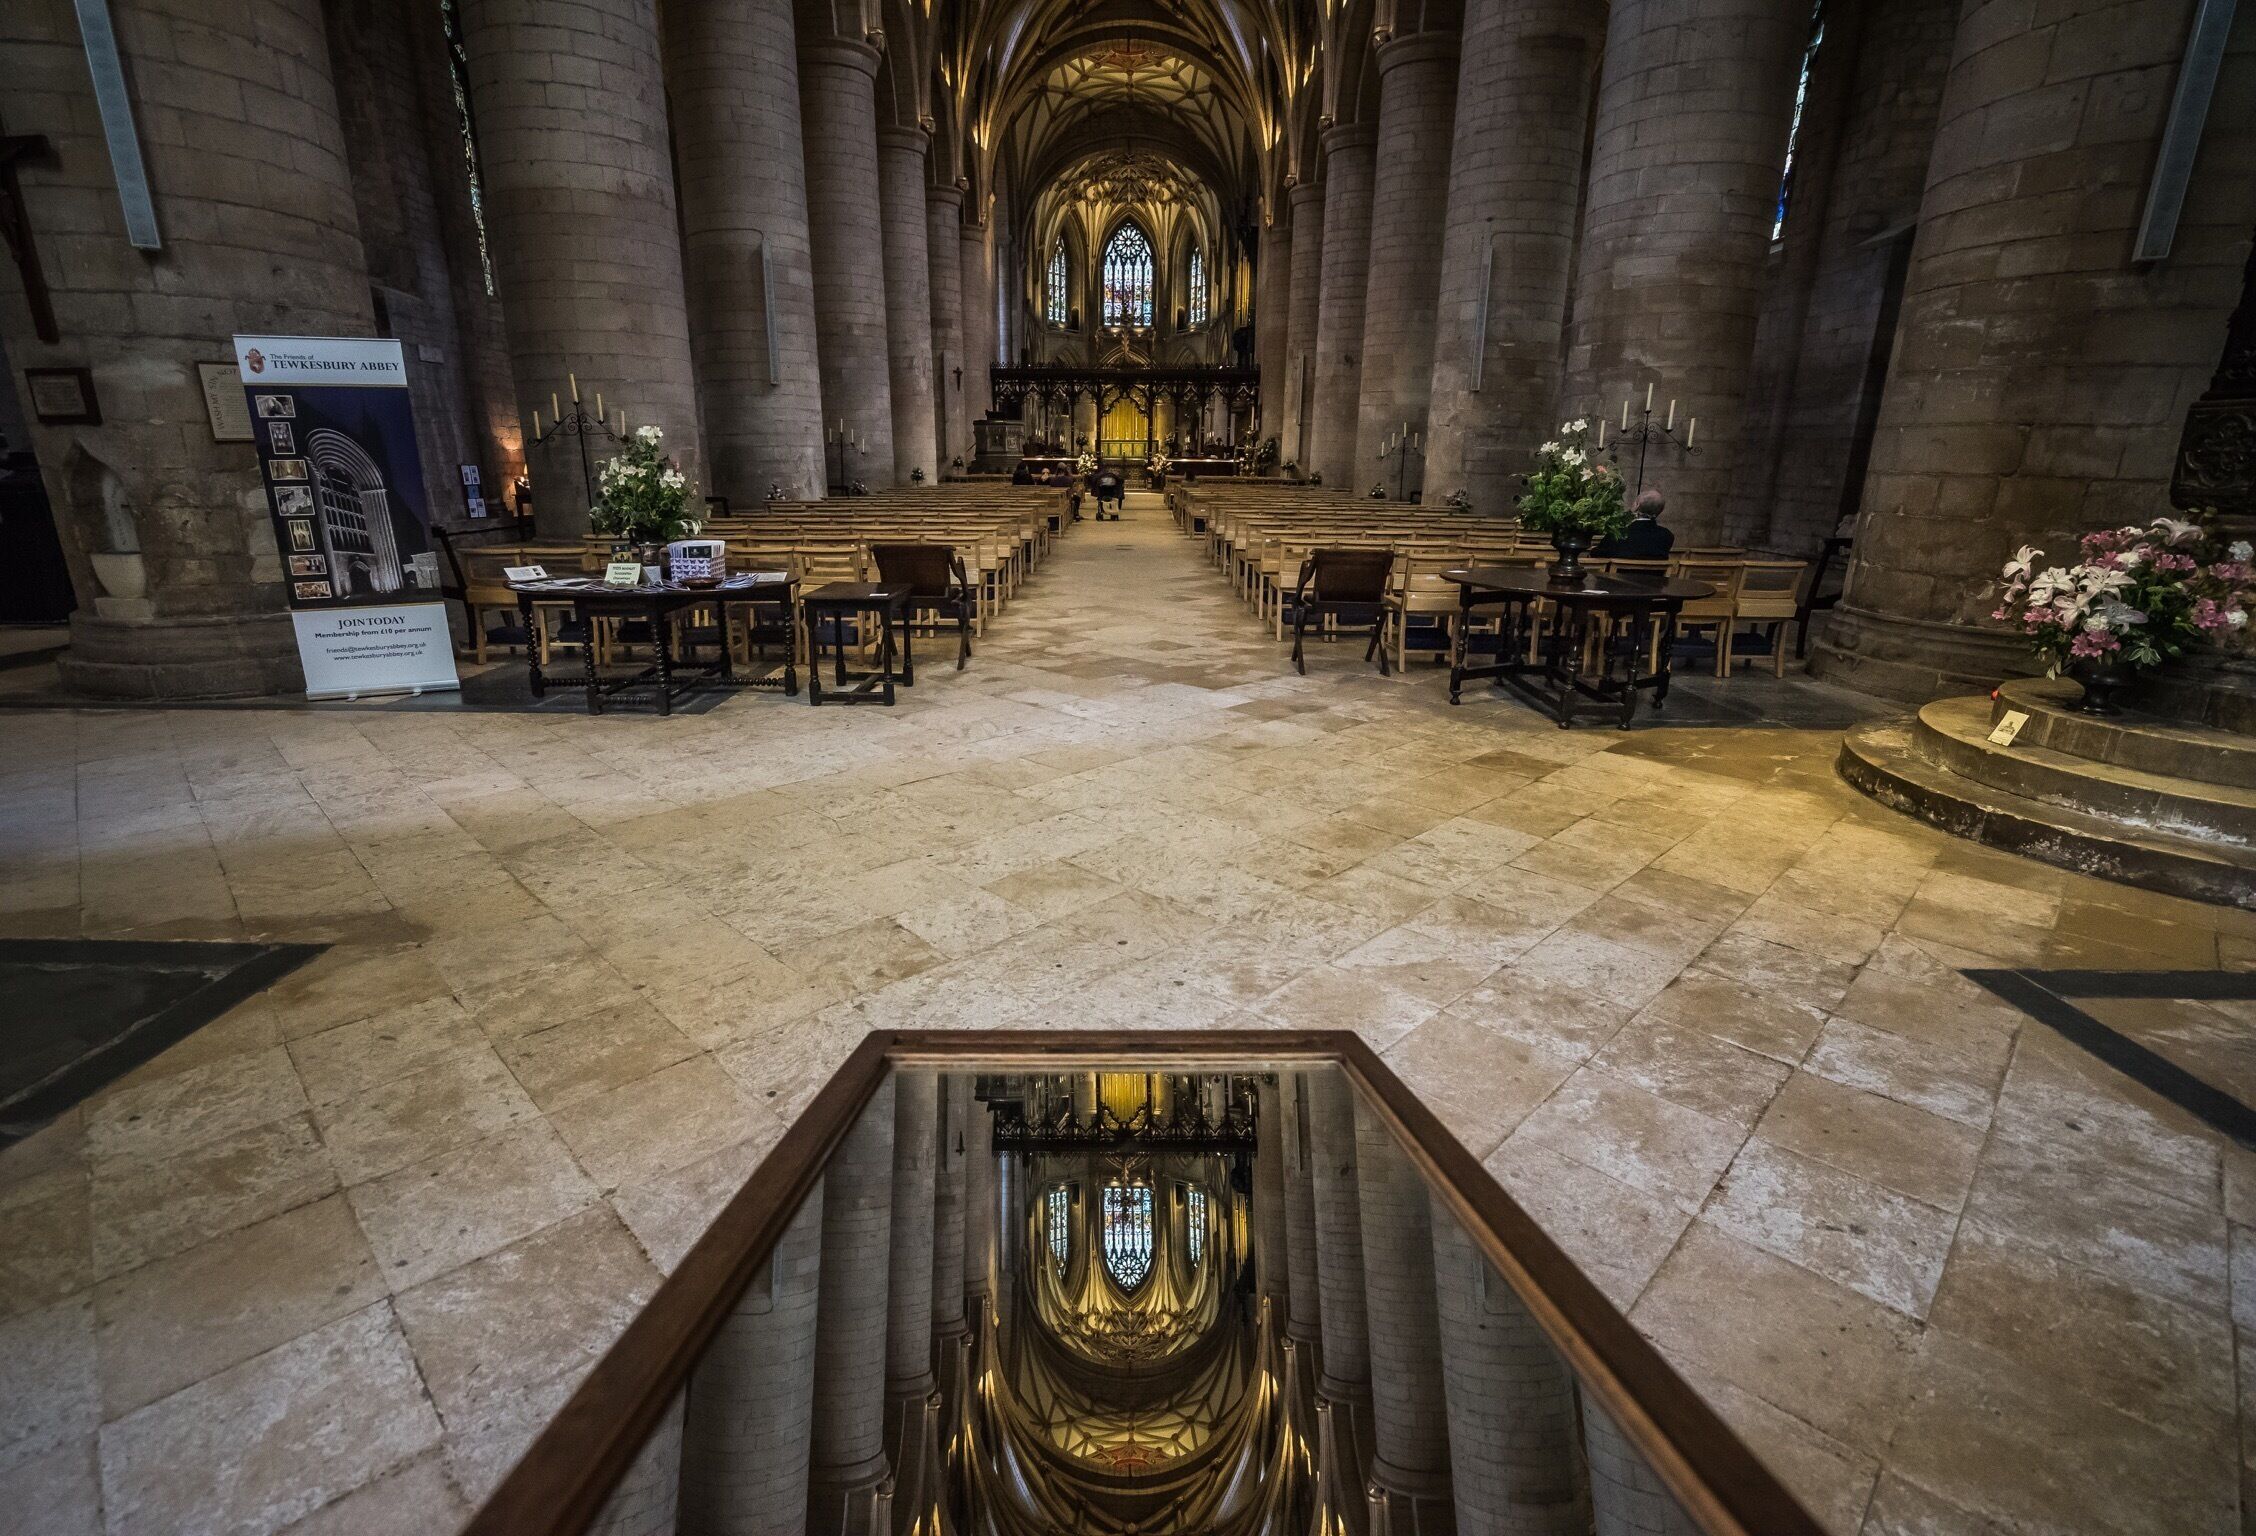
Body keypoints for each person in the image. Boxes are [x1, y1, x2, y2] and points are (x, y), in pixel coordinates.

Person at [1600, 489, 1674, 559]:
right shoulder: (1667, 536)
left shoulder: (1618, 534)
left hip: (1620, 572)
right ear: (1660, 511)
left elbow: (1598, 554)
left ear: (1636, 506)